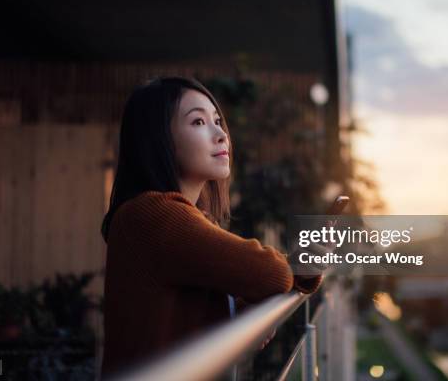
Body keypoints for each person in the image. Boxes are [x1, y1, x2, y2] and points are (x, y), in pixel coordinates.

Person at [100, 76, 326, 378]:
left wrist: (298, 272)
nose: (221, 134)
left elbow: (212, 317)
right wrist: (290, 270)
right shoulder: (154, 214)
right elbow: (269, 274)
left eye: (218, 120)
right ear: (158, 140)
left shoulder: (181, 216)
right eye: (198, 122)